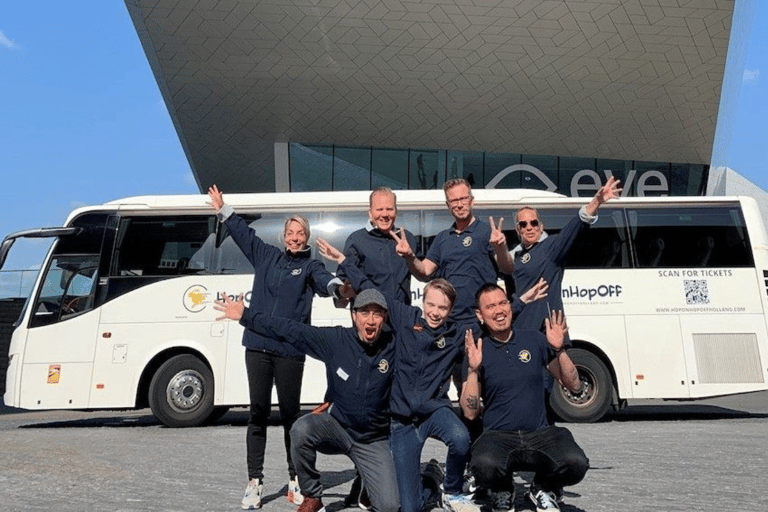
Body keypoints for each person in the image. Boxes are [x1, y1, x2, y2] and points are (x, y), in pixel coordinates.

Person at [318, 240, 547, 512]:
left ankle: (451, 491)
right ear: (423, 301)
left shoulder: (455, 332)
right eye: (431, 305)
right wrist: (344, 261)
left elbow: (490, 317)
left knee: (460, 438)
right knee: (410, 508)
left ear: (450, 311)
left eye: (442, 308)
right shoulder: (405, 317)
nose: (435, 313)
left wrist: (519, 302)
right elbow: (370, 289)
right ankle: (431, 481)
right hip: (402, 422)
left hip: (433, 413)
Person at [207, 185, 352, 510]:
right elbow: (244, 235)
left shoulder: (310, 267)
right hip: (257, 347)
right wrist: (224, 210)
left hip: (290, 350)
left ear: (307, 237)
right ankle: (254, 482)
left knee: (290, 417)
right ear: (284, 236)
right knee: (257, 413)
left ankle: (295, 479)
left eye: (301, 233)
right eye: (290, 232)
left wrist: (339, 288)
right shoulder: (267, 256)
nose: (295, 237)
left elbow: (325, 282)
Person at [214, 289, 399, 512]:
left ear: (385, 319)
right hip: (337, 428)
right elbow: (292, 331)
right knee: (300, 429)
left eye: (377, 314)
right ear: (354, 316)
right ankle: (312, 495)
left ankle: (369, 483)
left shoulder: (394, 346)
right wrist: (246, 316)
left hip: (372, 439)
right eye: (365, 313)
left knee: (389, 506)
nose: (370, 320)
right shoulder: (336, 341)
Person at [461, 284, 589, 512]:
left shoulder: (535, 340)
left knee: (576, 462)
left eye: (502, 303)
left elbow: (574, 385)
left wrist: (560, 350)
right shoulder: (477, 350)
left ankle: (541, 488)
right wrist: (472, 371)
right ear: (480, 315)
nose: (499, 310)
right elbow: (470, 412)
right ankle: (503, 488)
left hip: (539, 434)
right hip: (499, 436)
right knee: (483, 465)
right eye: (490, 306)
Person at [393, 178, 514, 330]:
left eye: (463, 199)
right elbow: (424, 272)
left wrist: (500, 248)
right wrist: (410, 256)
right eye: (454, 200)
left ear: (471, 201)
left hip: (481, 319)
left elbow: (507, 268)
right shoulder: (442, 238)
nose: (459, 204)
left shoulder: (487, 232)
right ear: (448, 205)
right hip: (449, 320)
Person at [510, 176, 622, 333]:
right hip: (520, 328)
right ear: (518, 230)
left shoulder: (551, 247)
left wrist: (596, 202)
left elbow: (573, 228)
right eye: (523, 224)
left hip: (546, 330)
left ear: (541, 227)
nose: (529, 227)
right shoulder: (514, 257)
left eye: (533, 223)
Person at [337, 186, 418, 305]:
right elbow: (343, 281)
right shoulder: (356, 240)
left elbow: (425, 273)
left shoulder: (407, 238)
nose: (385, 214)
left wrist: (411, 257)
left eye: (389, 209)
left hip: (402, 315)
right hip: (370, 317)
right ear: (370, 213)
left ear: (396, 211)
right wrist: (344, 293)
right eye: (379, 209)